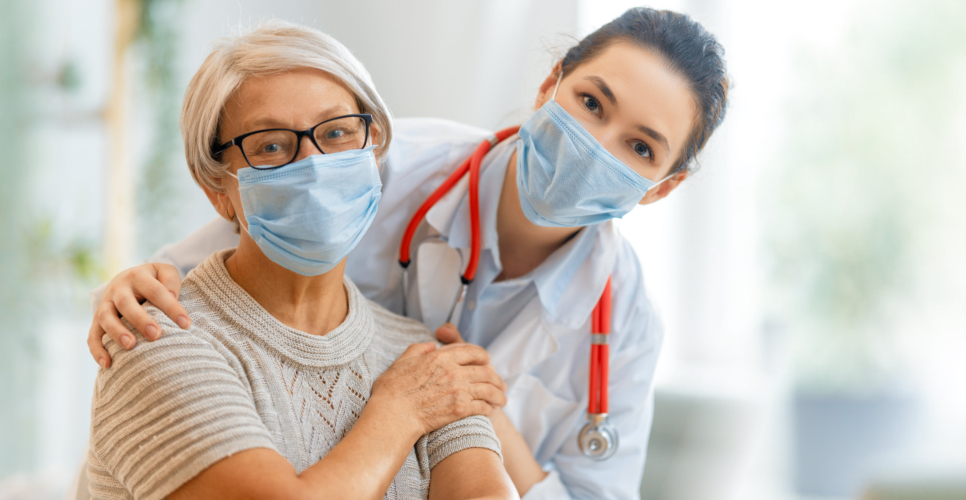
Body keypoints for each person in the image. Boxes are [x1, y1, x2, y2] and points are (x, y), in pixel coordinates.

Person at [91, 7, 730, 499]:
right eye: (591, 103)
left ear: (664, 186)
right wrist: (130, 288)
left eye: (641, 148)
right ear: (548, 87)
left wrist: (478, 407)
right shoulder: (383, 167)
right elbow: (208, 270)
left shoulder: (623, 322)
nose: (597, 145)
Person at [86, 22, 516, 500]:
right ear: (215, 187)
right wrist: (397, 413)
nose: (313, 165)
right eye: (271, 145)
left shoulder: (418, 356)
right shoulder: (156, 338)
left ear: (373, 150)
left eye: (336, 133)